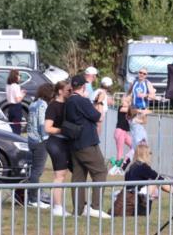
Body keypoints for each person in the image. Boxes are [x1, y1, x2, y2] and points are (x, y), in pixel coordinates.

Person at [64, 75, 110, 218]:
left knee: (78, 176)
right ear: (83, 87)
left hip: (75, 144)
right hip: (87, 143)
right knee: (100, 171)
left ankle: (78, 210)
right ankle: (95, 207)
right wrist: (101, 103)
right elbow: (99, 117)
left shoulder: (69, 101)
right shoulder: (81, 101)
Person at [16, 82, 53, 208]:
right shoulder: (42, 105)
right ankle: (33, 199)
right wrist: (45, 138)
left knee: (32, 170)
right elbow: (42, 124)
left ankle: (30, 197)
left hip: (31, 140)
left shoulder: (33, 104)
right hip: (39, 141)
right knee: (37, 171)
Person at [43, 80, 73, 216]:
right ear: (60, 91)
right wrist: (63, 130)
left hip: (65, 143)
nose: (71, 93)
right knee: (59, 175)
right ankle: (57, 207)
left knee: (63, 174)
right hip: (56, 142)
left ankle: (60, 206)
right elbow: (47, 128)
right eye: (68, 90)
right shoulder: (53, 106)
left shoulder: (69, 104)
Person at [122, 144, 173, 216]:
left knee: (155, 182)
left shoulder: (131, 167)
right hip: (136, 203)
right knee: (154, 183)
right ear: (145, 154)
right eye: (150, 153)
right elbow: (160, 179)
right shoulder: (143, 167)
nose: (151, 155)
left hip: (127, 200)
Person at [4, 69, 26, 135]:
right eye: (19, 75)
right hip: (16, 107)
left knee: (11, 125)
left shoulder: (8, 86)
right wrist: (23, 94)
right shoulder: (16, 86)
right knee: (16, 127)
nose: (20, 77)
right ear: (15, 76)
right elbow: (18, 99)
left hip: (10, 106)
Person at [114, 93, 134, 163]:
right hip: (119, 132)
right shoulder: (121, 108)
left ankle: (125, 161)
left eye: (124, 101)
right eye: (122, 101)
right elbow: (131, 110)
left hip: (124, 132)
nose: (122, 103)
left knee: (134, 146)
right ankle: (116, 167)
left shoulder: (129, 109)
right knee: (120, 152)